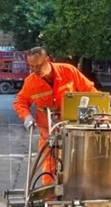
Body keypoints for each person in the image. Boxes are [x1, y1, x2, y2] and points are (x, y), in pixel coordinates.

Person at [13, 47, 98, 185]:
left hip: (74, 128)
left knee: (78, 162)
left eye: (38, 65)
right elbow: (20, 101)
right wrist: (27, 116)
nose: (35, 70)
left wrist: (98, 113)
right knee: (49, 165)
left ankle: (77, 190)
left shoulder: (68, 71)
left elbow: (91, 92)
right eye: (31, 66)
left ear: (47, 60)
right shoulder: (31, 82)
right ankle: (49, 194)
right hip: (48, 130)